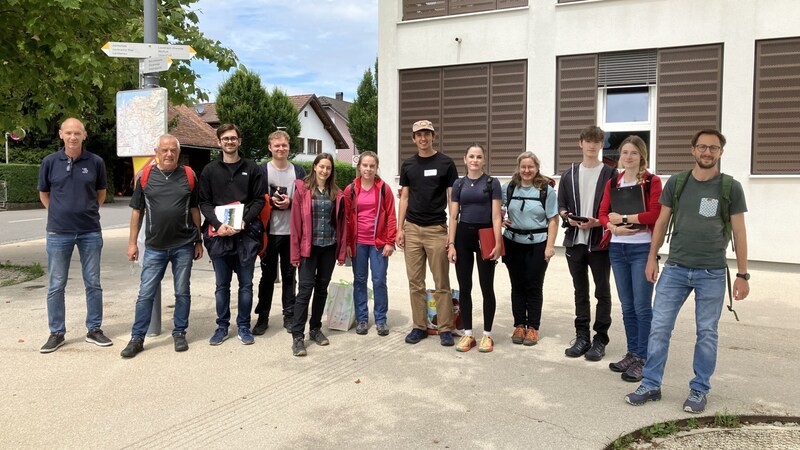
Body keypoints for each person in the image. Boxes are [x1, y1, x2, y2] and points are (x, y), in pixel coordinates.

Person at [626, 129, 749, 414]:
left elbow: (740, 234)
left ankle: (699, 389)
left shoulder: (730, 187)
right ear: (693, 149)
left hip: (713, 272)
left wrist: (743, 274)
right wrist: (651, 257)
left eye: (713, 148)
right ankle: (651, 384)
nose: (707, 152)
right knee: (659, 327)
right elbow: (660, 222)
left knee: (706, 332)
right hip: (676, 268)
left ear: (721, 152)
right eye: (702, 147)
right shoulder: (678, 183)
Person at [119, 135, 203, 358]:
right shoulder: (145, 176)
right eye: (164, 150)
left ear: (178, 152)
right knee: (145, 294)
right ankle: (137, 337)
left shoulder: (189, 175)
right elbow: (137, 212)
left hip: (184, 245)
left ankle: (179, 332)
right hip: (154, 246)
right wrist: (131, 244)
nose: (168, 154)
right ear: (156, 151)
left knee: (182, 291)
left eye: (172, 151)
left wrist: (199, 240)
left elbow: (195, 209)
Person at [37, 117, 111, 353]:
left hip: (90, 231)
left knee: (93, 282)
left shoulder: (96, 162)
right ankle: (57, 332)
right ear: (61, 134)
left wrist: (86, 212)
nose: (72, 137)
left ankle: (94, 329)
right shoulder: (49, 162)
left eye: (77, 133)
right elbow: (44, 194)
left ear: (84, 135)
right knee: (56, 284)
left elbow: (101, 193)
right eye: (68, 133)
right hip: (58, 232)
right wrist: (60, 213)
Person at [598, 136, 662, 381]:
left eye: (633, 152)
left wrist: (624, 220)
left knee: (642, 307)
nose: (628, 156)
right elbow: (603, 213)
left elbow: (655, 213)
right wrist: (613, 228)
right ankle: (633, 353)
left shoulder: (651, 181)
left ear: (641, 155)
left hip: (641, 249)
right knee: (627, 306)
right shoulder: (614, 180)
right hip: (618, 249)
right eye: (624, 152)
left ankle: (644, 357)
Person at [199, 124, 266, 346]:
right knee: (222, 285)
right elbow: (204, 203)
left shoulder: (252, 168)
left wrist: (243, 221)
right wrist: (218, 225)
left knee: (246, 284)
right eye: (225, 138)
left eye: (233, 138)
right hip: (219, 235)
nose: (230, 142)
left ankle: (244, 326)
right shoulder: (209, 170)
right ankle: (222, 327)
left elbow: (258, 200)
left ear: (239, 141)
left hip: (245, 234)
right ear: (219, 142)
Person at [557, 125, 618, 361]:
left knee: (602, 291)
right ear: (580, 143)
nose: (592, 146)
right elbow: (561, 205)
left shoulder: (611, 174)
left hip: (599, 242)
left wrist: (598, 222)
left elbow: (615, 209)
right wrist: (567, 217)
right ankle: (582, 336)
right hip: (575, 242)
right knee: (579, 291)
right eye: (588, 141)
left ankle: (600, 339)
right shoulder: (569, 173)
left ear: (602, 145)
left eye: (597, 141)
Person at [397, 120, 459, 346]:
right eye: (418, 135)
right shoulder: (408, 165)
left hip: (436, 229)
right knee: (415, 282)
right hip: (412, 229)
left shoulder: (446, 163)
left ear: (433, 136)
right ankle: (419, 326)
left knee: (441, 282)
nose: (423, 138)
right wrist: (399, 229)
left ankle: (445, 328)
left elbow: (454, 200)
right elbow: (404, 197)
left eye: (427, 134)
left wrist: (451, 236)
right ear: (413, 139)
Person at [289, 153, 347, 356]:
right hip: (308, 249)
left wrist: (341, 253)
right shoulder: (302, 190)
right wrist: (294, 253)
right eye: (321, 166)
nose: (324, 171)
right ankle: (297, 336)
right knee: (305, 291)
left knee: (322, 289)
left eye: (328, 168)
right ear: (314, 167)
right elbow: (295, 224)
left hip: (328, 247)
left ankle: (315, 328)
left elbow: (341, 225)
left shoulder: (336, 193)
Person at [446, 144, 502, 353]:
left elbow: (496, 216)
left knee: (487, 287)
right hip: (463, 236)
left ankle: (487, 335)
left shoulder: (492, 183)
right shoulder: (458, 184)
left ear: (484, 160)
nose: (475, 160)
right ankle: (468, 334)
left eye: (479, 157)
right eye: (471, 156)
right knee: (465, 287)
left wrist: (497, 243)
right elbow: (453, 216)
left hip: (485, 236)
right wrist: (451, 244)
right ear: (465, 159)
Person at [502, 152, 559, 348]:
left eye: (530, 167)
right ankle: (519, 325)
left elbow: (553, 219)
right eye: (523, 167)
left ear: (537, 168)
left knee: (534, 286)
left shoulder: (546, 190)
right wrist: (500, 220)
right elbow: (496, 209)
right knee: (517, 285)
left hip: (538, 243)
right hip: (512, 242)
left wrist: (550, 246)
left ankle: (533, 327)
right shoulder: (509, 188)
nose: (527, 170)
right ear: (519, 168)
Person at [253, 130, 306, 335]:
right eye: (277, 146)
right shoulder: (261, 171)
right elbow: (256, 198)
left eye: (284, 145)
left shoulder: (299, 171)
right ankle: (263, 317)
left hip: (291, 234)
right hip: (269, 233)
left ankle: (289, 316)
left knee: (290, 276)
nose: (281, 149)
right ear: (270, 147)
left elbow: (304, 201)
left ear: (289, 147)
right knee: (267, 277)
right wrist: (271, 201)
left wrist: (290, 202)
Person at [344, 151, 396, 337]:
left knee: (379, 280)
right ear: (359, 167)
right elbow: (347, 219)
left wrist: (390, 241)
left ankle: (381, 319)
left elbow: (391, 216)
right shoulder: (350, 189)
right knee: (359, 281)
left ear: (376, 168)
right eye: (365, 165)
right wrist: (348, 243)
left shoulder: (384, 189)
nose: (368, 169)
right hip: (358, 243)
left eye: (371, 166)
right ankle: (362, 319)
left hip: (379, 243)